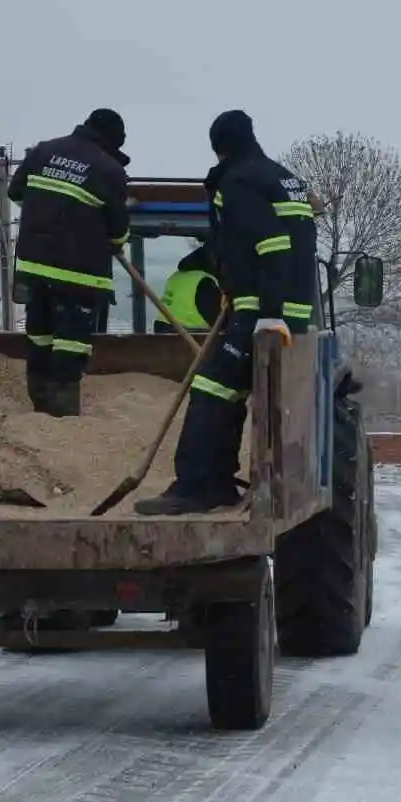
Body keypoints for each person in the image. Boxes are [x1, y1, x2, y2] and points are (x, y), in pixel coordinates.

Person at [135, 110, 315, 516]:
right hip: (289, 313)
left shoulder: (239, 182)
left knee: (212, 387)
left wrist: (268, 314)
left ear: (219, 147)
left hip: (265, 314)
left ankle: (198, 486)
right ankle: (216, 482)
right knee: (234, 391)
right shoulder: (283, 178)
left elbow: (271, 245)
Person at [8, 109, 132, 417]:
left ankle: (39, 406)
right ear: (113, 143)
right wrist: (110, 242)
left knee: (40, 334)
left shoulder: (43, 151)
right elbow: (118, 231)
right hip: (79, 273)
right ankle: (62, 414)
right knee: (71, 343)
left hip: (34, 268)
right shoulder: (110, 170)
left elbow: (16, 192)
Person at [154, 243, 221, 334]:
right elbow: (219, 321)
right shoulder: (204, 282)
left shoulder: (176, 276)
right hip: (191, 337)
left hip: (164, 334)